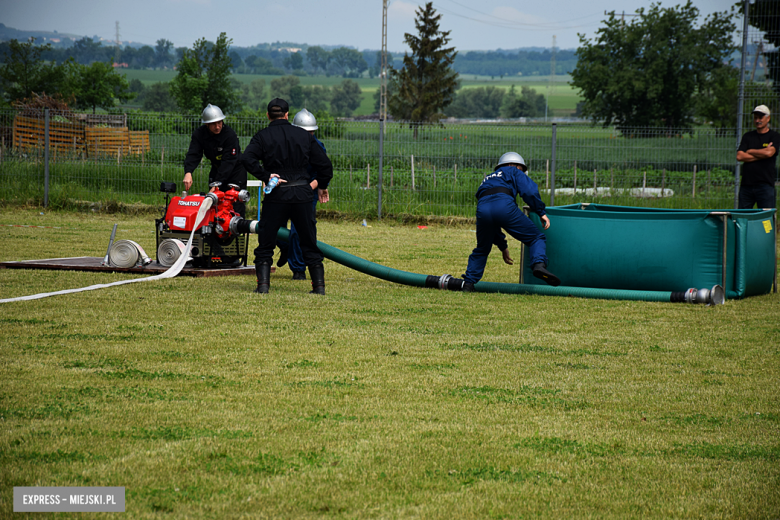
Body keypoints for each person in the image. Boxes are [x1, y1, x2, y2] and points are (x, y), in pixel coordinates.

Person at [241, 98, 333, 295]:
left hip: (277, 194)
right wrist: (320, 186)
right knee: (308, 241)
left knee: (266, 241)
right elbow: (325, 166)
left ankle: (263, 286)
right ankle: (318, 287)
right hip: (302, 194)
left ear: (268, 116)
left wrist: (266, 176)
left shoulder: (262, 136)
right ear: (287, 115)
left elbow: (246, 159)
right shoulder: (304, 136)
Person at [461, 152, 561, 291]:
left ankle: (468, 283)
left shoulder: (488, 178)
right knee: (536, 237)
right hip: (504, 205)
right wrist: (540, 211)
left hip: (482, 208)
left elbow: (493, 223)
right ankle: (538, 264)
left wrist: (503, 247)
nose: (522, 172)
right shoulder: (513, 170)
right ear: (512, 164)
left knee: (482, 249)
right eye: (521, 169)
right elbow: (530, 191)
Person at [277, 108, 326, 280]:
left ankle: (298, 269)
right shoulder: (286, 145)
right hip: (286, 190)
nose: (309, 136)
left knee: (299, 231)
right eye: (306, 132)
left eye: (312, 132)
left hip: (307, 192)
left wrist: (308, 188)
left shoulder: (318, 147)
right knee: (275, 226)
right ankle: (284, 248)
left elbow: (321, 173)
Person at [183, 104, 248, 216]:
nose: (217, 127)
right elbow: (194, 154)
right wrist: (188, 172)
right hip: (217, 169)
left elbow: (229, 162)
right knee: (214, 201)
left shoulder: (230, 135)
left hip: (235, 171)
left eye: (219, 123)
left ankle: (235, 229)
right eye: (213, 124)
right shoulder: (199, 134)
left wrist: (217, 184)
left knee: (235, 203)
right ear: (207, 124)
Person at [737, 105, 779, 209]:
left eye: (760, 118)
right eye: (755, 118)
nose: (757, 120)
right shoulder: (748, 136)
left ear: (768, 118)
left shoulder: (774, 136)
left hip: (765, 186)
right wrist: (762, 154)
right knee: (742, 218)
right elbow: (740, 156)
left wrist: (750, 151)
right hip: (746, 186)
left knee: (766, 219)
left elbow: (769, 153)